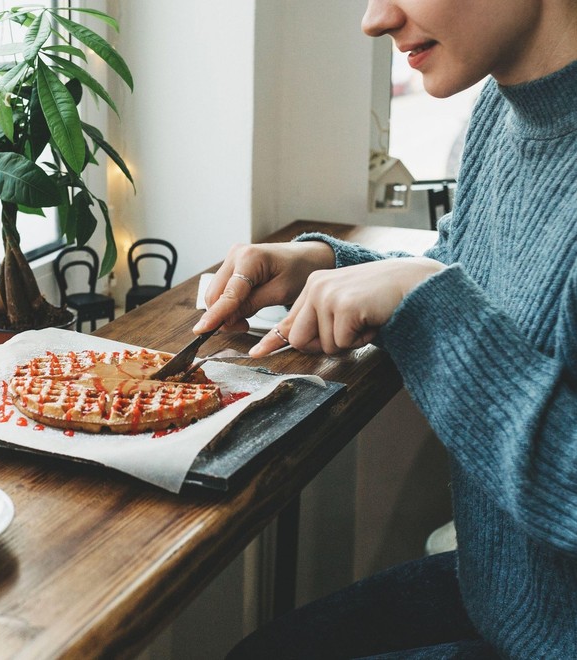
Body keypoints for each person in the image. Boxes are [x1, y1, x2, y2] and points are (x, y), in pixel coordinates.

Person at [195, 0, 577, 657]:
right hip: (511, 590)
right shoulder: (500, 108)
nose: (374, 19)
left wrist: (425, 302)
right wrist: (325, 263)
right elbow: (471, 274)